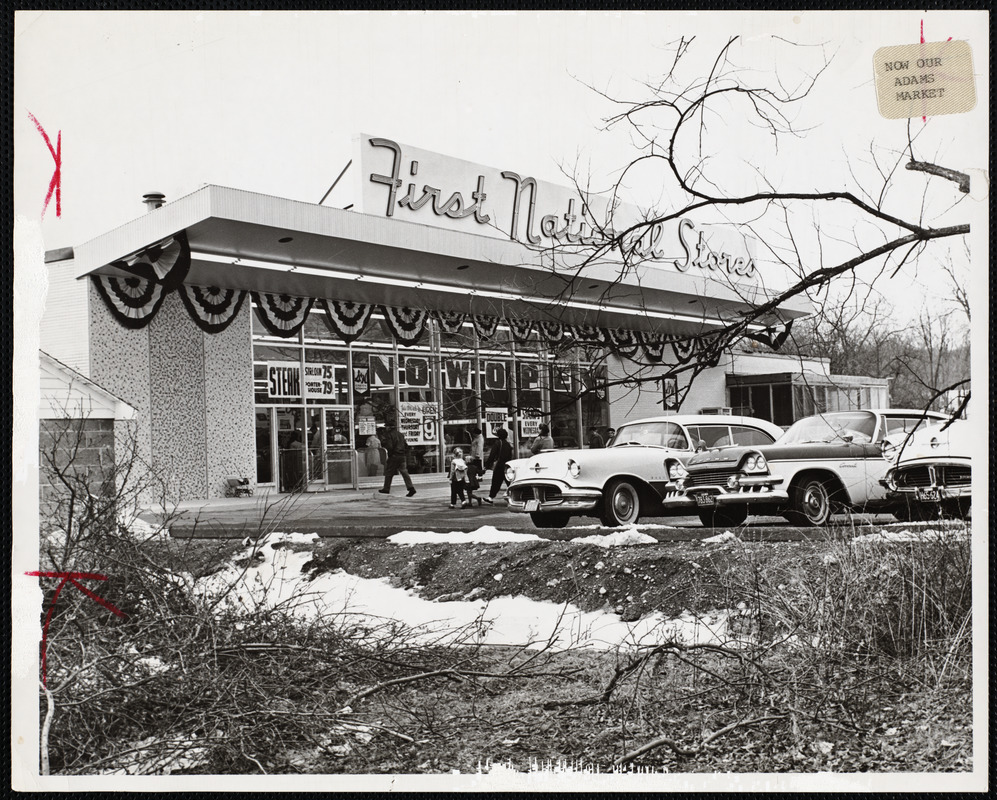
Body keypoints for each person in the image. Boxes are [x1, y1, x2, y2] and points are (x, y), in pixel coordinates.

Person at [378, 421, 416, 497]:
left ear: (389, 427)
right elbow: (406, 445)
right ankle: (411, 488)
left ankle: (386, 488)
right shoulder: (400, 434)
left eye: (386, 426)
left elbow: (390, 446)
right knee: (404, 473)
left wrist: (390, 453)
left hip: (394, 456)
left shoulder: (389, 435)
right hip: (402, 456)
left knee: (389, 473)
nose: (385, 428)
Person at [482, 427, 513, 504]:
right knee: (509, 482)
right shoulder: (508, 445)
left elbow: (492, 455)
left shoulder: (497, 443)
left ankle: (491, 497)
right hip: (506, 465)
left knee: (496, 482)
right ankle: (513, 496)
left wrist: (487, 464)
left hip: (499, 465)